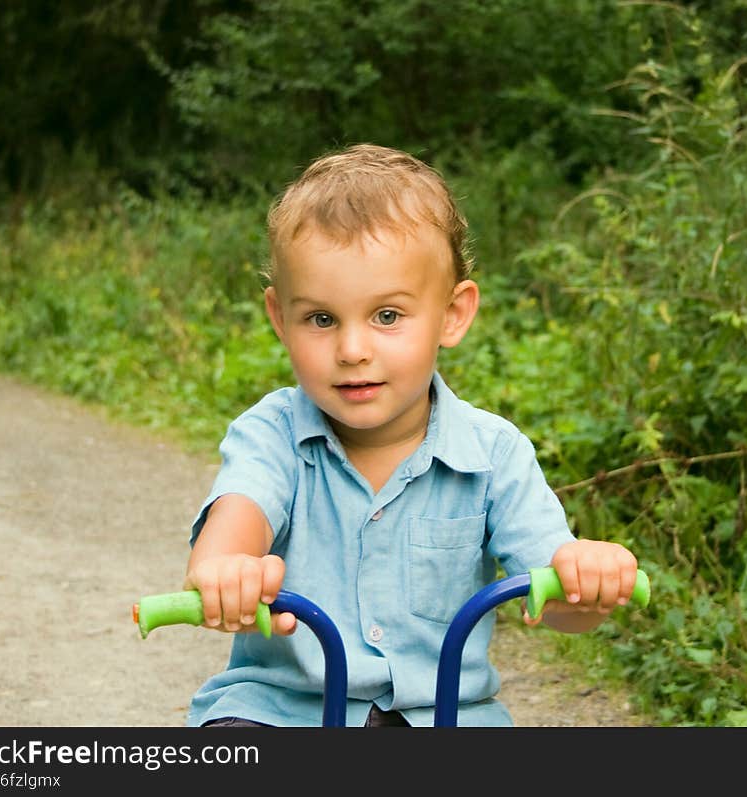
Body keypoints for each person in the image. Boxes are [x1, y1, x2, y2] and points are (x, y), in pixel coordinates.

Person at [184, 143, 640, 728]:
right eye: (321, 319)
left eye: (388, 316)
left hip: (443, 716)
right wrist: (229, 571)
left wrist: (585, 581)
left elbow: (555, 601)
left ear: (452, 314)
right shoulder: (271, 437)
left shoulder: (493, 455)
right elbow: (231, 531)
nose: (353, 350)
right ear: (280, 318)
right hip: (283, 714)